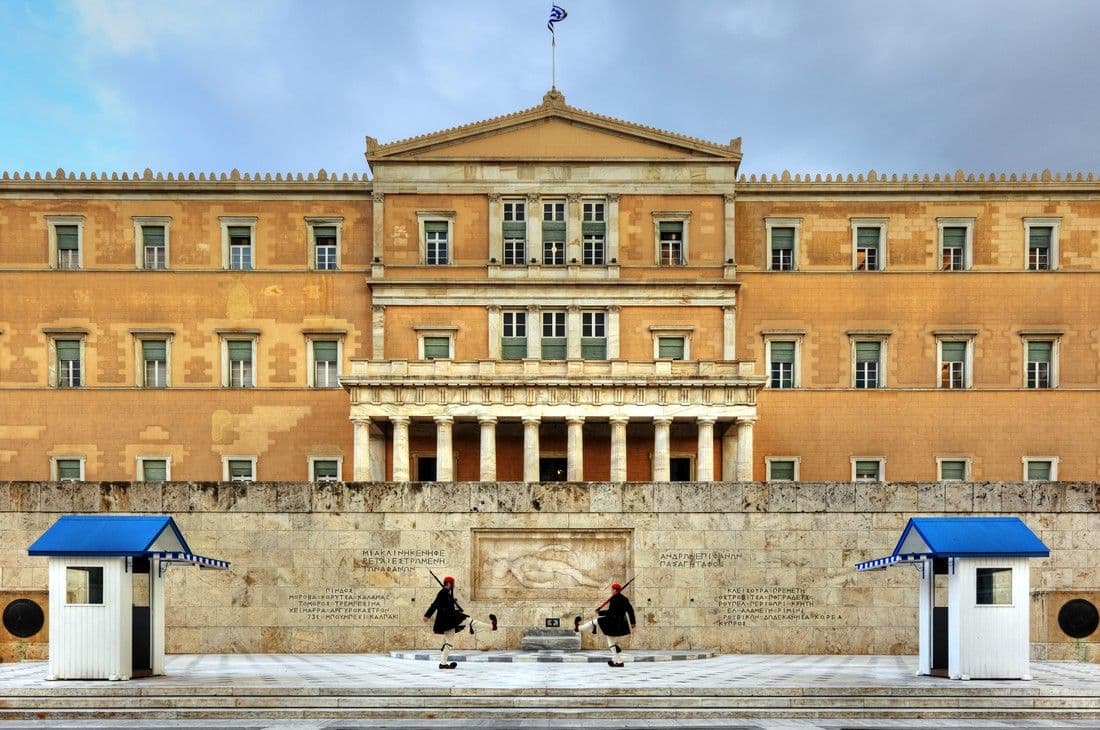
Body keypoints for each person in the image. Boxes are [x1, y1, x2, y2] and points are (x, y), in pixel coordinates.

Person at [423, 575, 497, 669]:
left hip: (448, 620)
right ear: (449, 583)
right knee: (470, 621)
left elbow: (445, 605)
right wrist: (427, 615)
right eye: (453, 583)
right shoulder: (443, 592)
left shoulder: (446, 592)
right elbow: (435, 604)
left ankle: (443, 663)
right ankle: (491, 626)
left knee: (449, 642)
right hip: (450, 619)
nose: (454, 585)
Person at [574, 582, 636, 667]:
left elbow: (611, 612)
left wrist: (600, 612)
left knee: (598, 621)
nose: (611, 591)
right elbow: (630, 610)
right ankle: (617, 661)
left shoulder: (614, 599)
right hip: (620, 623)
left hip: (612, 622)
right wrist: (633, 622)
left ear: (614, 590)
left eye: (612, 590)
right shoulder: (624, 599)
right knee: (611, 641)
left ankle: (579, 628)